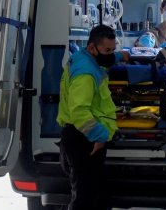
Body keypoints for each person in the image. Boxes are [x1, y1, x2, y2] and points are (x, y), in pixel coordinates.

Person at [57, 24, 119, 210]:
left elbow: (93, 103)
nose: (110, 54)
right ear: (92, 47)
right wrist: (99, 137)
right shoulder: (85, 74)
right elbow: (80, 112)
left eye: (113, 49)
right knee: (85, 198)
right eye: (107, 50)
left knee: (97, 195)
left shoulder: (84, 60)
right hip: (84, 138)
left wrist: (120, 56)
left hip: (84, 136)